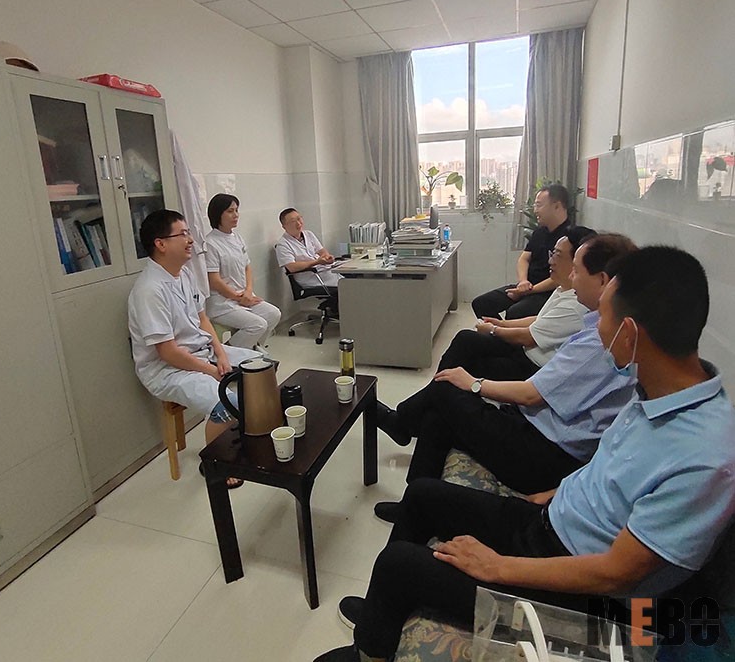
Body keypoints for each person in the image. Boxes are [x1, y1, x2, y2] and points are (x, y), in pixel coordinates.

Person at [315, 246, 735, 662]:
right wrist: (562, 491)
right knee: (423, 496)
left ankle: (369, 650)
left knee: (399, 565)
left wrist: (497, 566)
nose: (595, 329)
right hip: (550, 526)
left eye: (603, 318)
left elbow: (616, 573)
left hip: (586, 597)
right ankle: (380, 620)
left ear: (629, 334)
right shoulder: (657, 394)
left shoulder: (704, 456)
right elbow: (612, 467)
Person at [372, 234, 637, 524]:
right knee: (440, 415)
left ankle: (402, 424)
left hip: (543, 455)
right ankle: (414, 505)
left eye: (576, 270)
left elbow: (531, 394)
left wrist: (474, 384)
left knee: (446, 388)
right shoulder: (597, 326)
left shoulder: (601, 343)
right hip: (537, 430)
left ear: (603, 281)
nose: (571, 277)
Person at [128, 210, 260, 488]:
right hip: (167, 369)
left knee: (262, 367)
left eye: (188, 233)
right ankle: (216, 463)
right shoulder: (149, 290)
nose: (190, 240)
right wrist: (212, 371)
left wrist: (221, 354)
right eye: (183, 234)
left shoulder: (184, 274)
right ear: (160, 244)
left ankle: (244, 432)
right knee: (226, 404)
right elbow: (167, 352)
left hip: (201, 351)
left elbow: (203, 319)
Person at [472, 184, 570, 320]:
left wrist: (528, 291)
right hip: (527, 286)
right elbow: (524, 259)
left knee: (515, 312)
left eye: (539, 205)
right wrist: (523, 281)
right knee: (481, 304)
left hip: (548, 293)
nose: (535, 210)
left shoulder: (570, 238)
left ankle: (504, 332)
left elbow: (562, 278)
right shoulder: (540, 232)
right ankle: (498, 332)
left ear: (557, 206)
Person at [204, 193, 281, 351]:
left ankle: (252, 348)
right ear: (218, 214)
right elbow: (214, 280)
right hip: (222, 303)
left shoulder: (237, 238)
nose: (236, 215)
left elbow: (247, 267)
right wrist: (238, 297)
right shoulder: (210, 243)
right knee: (258, 325)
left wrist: (248, 291)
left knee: (274, 314)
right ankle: (229, 353)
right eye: (230, 211)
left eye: (236, 210)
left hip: (243, 297)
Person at [275, 207, 339, 293]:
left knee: (353, 280)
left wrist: (327, 258)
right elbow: (292, 267)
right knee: (348, 287)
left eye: (299, 218)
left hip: (327, 272)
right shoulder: (283, 244)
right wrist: (317, 262)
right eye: (293, 221)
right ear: (284, 226)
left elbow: (322, 251)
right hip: (313, 279)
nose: (298, 223)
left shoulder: (308, 234)